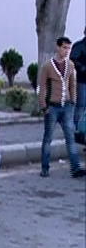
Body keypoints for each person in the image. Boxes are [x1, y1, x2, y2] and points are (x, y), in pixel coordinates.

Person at [37, 36, 86, 178]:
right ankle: (45, 168)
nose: (66, 51)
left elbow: (72, 84)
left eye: (68, 48)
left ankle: (75, 168)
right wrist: (43, 106)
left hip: (66, 107)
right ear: (58, 48)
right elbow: (42, 87)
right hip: (52, 107)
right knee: (48, 138)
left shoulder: (70, 65)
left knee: (70, 137)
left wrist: (73, 102)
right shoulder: (47, 66)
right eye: (64, 48)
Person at [69, 26, 86, 129]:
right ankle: (76, 127)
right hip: (83, 81)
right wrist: (82, 68)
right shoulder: (79, 46)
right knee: (81, 105)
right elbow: (73, 60)